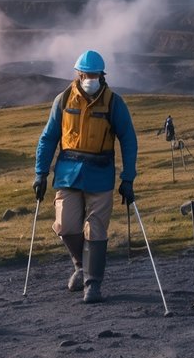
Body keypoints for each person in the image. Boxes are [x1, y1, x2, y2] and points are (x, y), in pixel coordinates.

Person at [34, 50, 138, 304]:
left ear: (102, 75)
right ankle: (81, 265)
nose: (89, 78)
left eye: (94, 74)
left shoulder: (114, 103)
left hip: (100, 173)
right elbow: (49, 138)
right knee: (66, 225)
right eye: (86, 74)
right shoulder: (64, 99)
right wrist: (41, 173)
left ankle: (93, 283)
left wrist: (128, 178)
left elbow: (128, 140)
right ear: (78, 74)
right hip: (68, 172)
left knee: (95, 229)